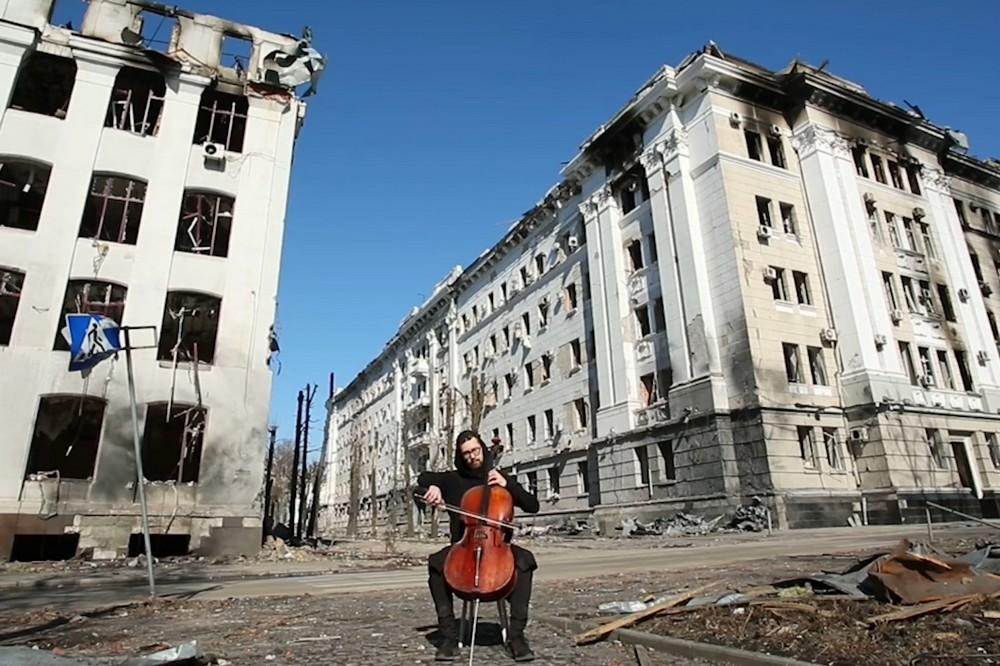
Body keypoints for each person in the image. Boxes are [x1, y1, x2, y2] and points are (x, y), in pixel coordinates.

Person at [417, 430, 539, 662]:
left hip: (497, 547)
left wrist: (508, 485)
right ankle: (449, 636)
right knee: (435, 564)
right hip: (463, 548)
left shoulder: (498, 478)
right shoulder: (452, 479)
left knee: (525, 561)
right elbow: (422, 479)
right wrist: (433, 487)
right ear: (460, 455)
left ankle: (516, 636)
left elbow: (533, 505)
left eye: (475, 450)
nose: (472, 456)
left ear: (483, 448)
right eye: (466, 453)